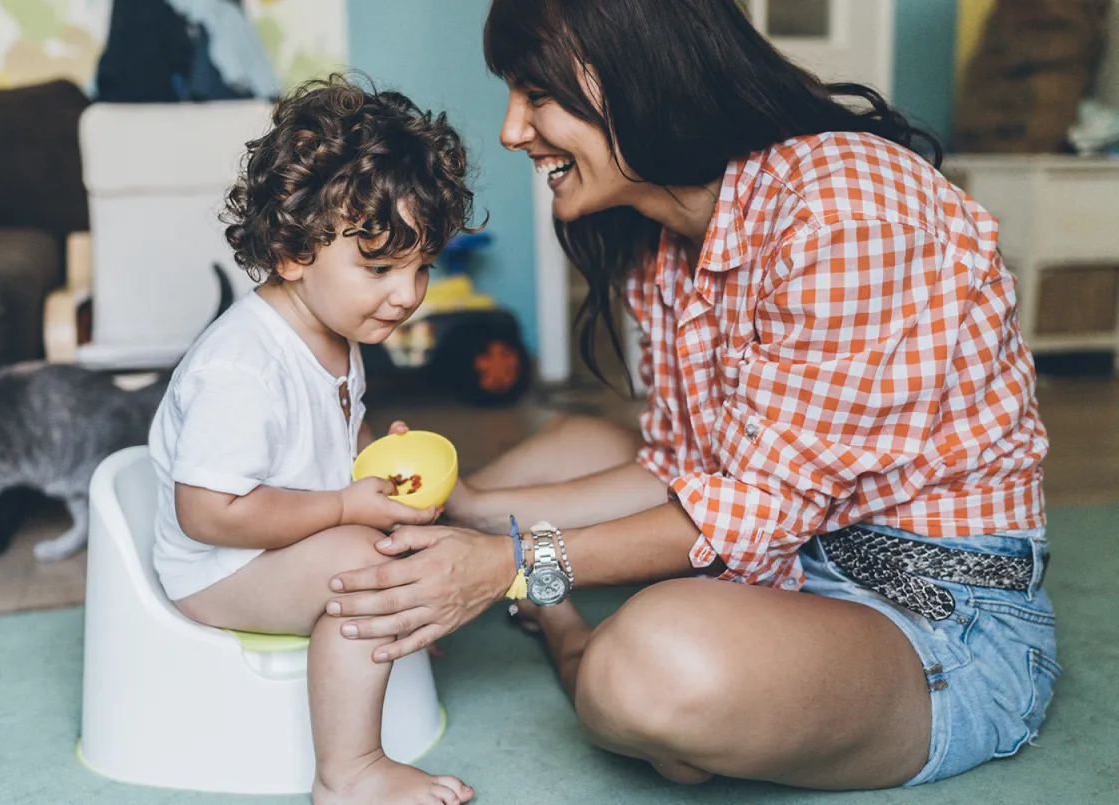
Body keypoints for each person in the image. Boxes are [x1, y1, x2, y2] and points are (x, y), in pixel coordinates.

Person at [322, 0, 1057, 791]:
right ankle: (482, 564)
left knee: (647, 669)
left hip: (937, 617)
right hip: (781, 563)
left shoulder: (846, 209)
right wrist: (470, 508)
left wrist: (510, 564)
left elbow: (750, 511)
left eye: (537, 94)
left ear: (640, 75)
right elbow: (684, 466)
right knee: (586, 444)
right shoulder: (667, 243)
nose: (511, 130)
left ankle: (571, 642)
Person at [147, 76, 478, 805]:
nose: (408, 294)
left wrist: (376, 467)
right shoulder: (243, 366)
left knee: (411, 537)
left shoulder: (334, 326)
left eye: (422, 266)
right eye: (380, 267)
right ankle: (349, 772)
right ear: (293, 249)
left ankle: (387, 637)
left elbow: (339, 428)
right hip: (219, 568)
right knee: (366, 562)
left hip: (283, 542)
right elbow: (208, 512)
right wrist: (344, 508)